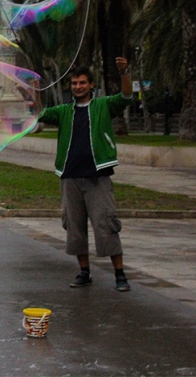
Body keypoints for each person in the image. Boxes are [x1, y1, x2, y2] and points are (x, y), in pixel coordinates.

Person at [36, 57, 133, 292]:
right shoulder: (64, 111)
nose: (78, 87)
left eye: (82, 83)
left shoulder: (103, 105)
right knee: (75, 227)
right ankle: (84, 272)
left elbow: (126, 96)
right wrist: (36, 92)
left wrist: (124, 73)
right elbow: (41, 114)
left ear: (91, 85)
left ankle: (120, 275)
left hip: (97, 177)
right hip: (70, 177)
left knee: (106, 224)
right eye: (74, 83)